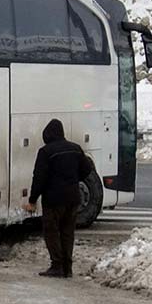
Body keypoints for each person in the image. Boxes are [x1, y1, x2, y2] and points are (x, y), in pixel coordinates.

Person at [23, 119, 94, 278]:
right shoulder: (75, 149)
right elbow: (87, 169)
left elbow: (39, 178)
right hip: (73, 198)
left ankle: (57, 265)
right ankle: (67, 268)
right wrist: (74, 179)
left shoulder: (46, 152)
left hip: (53, 200)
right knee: (68, 232)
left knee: (52, 232)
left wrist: (33, 199)